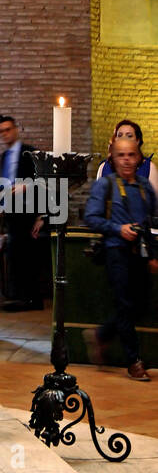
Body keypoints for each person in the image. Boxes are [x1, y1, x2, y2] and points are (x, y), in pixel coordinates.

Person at [83, 135, 157, 381]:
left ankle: (101, 335)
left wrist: (153, 255)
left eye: (131, 155)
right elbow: (91, 218)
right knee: (125, 305)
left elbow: (152, 223)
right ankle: (134, 362)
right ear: (113, 159)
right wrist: (118, 228)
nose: (126, 160)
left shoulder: (146, 187)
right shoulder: (105, 185)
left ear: (139, 158)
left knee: (140, 305)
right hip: (116, 252)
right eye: (120, 155)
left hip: (140, 254)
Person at [0, 113, 44, 311]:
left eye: (8, 130)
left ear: (15, 129)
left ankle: (33, 299)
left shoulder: (30, 153)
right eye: (1, 132)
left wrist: (41, 215)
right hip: (12, 212)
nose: (5, 134)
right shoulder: (4, 157)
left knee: (28, 256)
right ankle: (19, 297)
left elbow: (43, 180)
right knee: (15, 255)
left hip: (29, 210)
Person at [96, 119, 158, 201]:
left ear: (137, 141)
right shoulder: (103, 167)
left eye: (129, 136)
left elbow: (154, 205)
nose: (124, 138)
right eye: (120, 135)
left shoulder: (149, 167)